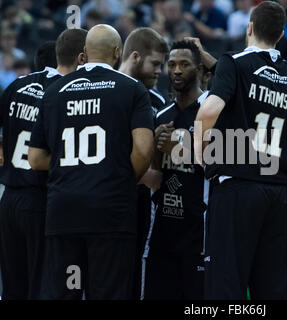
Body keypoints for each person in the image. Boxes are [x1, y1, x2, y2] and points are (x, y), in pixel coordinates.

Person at [194, 1, 287, 300]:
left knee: (226, 284)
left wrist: (198, 148)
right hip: (278, 195)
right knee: (272, 288)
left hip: (237, 187)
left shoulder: (234, 62)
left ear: (249, 28)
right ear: (281, 34)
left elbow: (209, 110)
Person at [28, 24, 154, 300]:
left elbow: (35, 158)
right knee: (106, 292)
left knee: (67, 291)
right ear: (117, 52)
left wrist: (72, 169)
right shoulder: (131, 89)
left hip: (63, 212)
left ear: (84, 52)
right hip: (111, 211)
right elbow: (144, 150)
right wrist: (117, 178)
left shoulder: (53, 92)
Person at [0, 28, 87, 300]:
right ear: (82, 58)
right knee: (42, 287)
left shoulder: (17, 84)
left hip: (8, 199)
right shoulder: (65, 93)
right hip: (41, 202)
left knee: (12, 288)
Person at [143, 40, 209, 300]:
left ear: (200, 69)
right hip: (163, 231)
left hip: (200, 233)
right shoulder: (162, 114)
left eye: (184, 64)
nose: (177, 71)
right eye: (171, 65)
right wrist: (156, 150)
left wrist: (180, 149)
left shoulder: (212, 111)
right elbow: (157, 174)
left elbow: (222, 165)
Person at [118, 26, 168, 299]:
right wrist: (140, 175)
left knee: (137, 268)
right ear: (135, 56)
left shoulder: (158, 102)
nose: (160, 71)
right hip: (110, 196)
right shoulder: (107, 90)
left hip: (140, 203)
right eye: (155, 64)